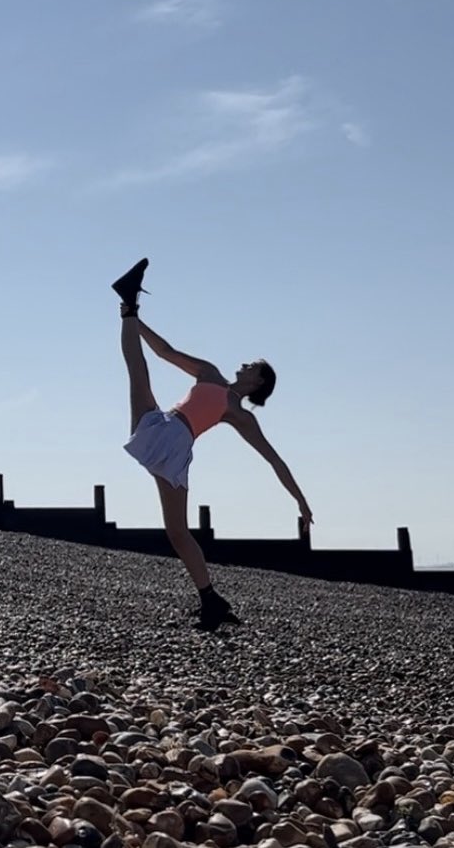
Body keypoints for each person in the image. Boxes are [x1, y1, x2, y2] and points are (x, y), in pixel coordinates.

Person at [112, 257, 314, 631]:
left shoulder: (239, 413)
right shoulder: (210, 373)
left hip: (175, 440)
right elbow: (165, 352)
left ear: (258, 381)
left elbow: (274, 460)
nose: (245, 364)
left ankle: (210, 601)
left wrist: (300, 501)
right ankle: (210, 600)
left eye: (252, 366)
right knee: (138, 373)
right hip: (166, 426)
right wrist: (135, 322)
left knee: (177, 531)